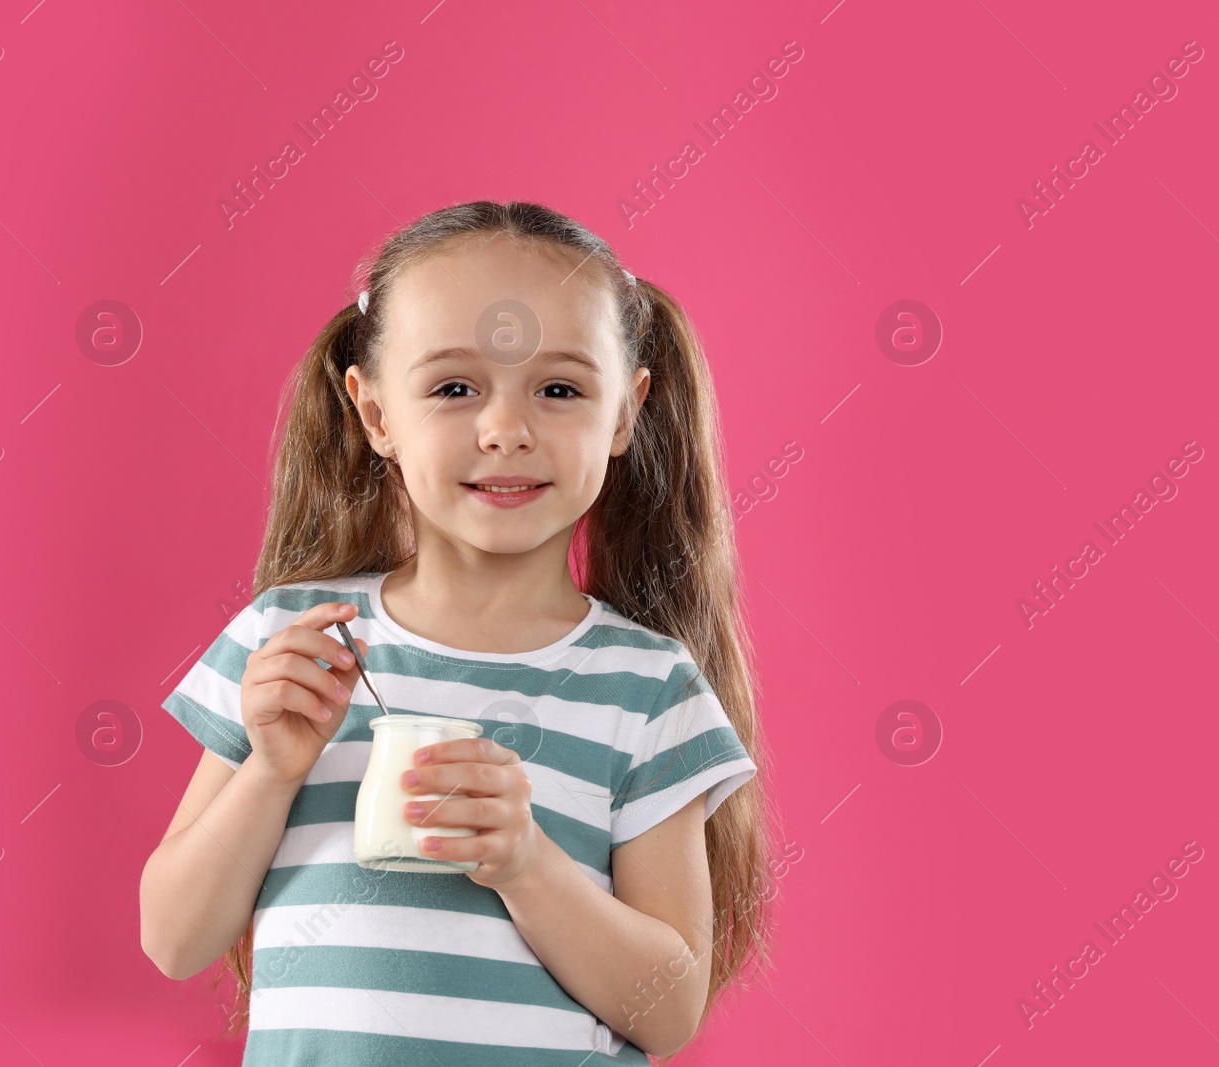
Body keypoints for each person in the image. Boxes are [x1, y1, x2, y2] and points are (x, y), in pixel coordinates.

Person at [139, 200, 777, 1064]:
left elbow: (668, 1012)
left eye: (559, 389)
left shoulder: (648, 685)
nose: (506, 429)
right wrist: (272, 770)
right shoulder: (292, 640)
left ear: (625, 414)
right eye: (453, 387)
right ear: (375, 414)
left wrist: (526, 863)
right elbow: (174, 940)